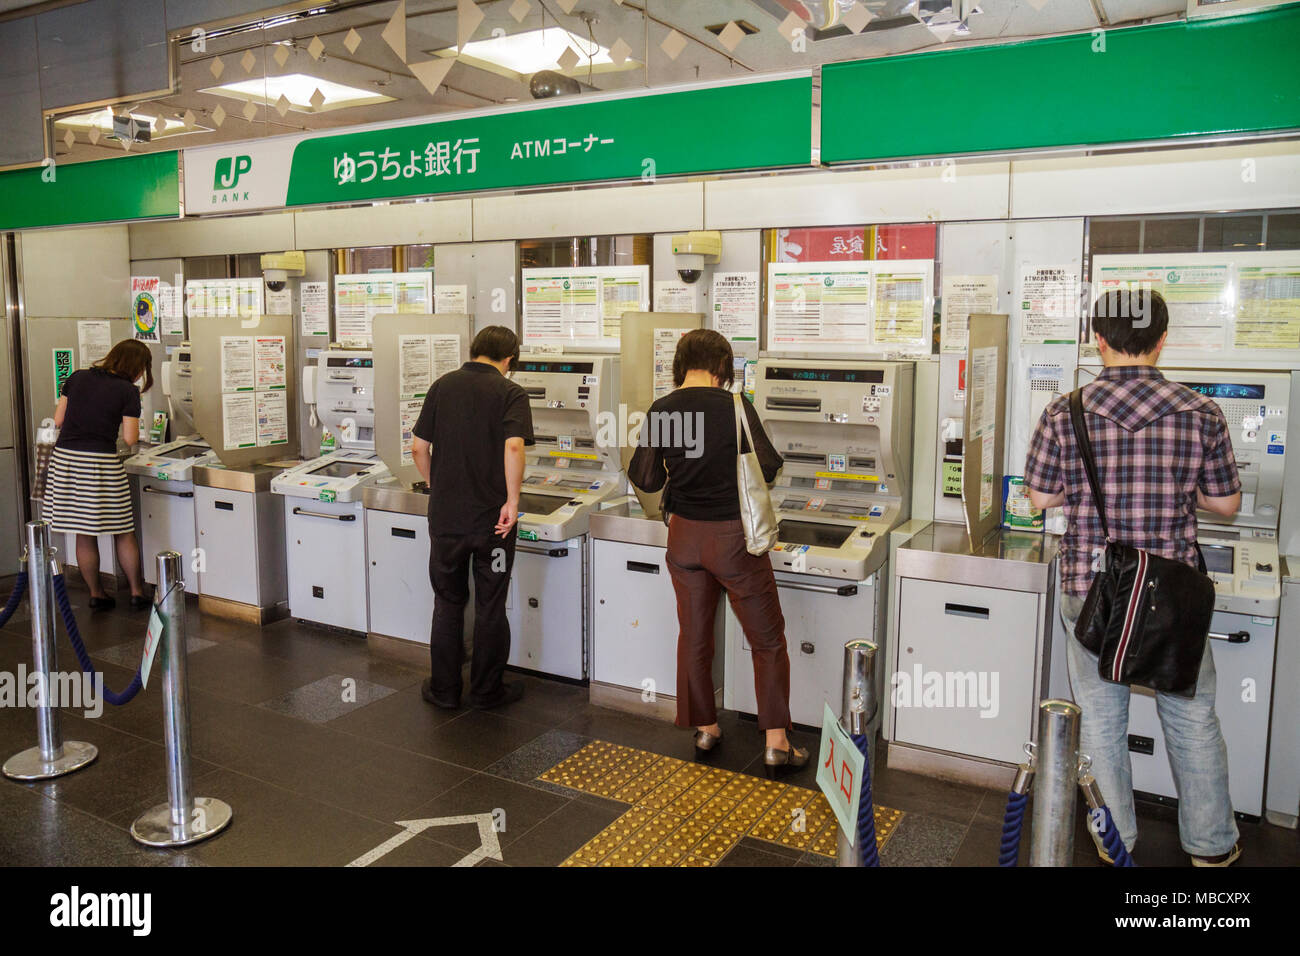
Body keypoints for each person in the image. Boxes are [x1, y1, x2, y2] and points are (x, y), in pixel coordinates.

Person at [1024, 288, 1242, 867]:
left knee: (1100, 720)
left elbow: (1042, 495)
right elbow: (1226, 505)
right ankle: (1212, 846)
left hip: (1090, 587)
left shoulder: (1063, 411)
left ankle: (1115, 841)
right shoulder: (1202, 412)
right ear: (1162, 339)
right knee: (1192, 717)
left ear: (1098, 338)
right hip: (1170, 592)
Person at [628, 329, 807, 778]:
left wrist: (683, 471)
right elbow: (767, 465)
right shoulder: (734, 406)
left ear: (681, 363)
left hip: (684, 537)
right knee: (766, 638)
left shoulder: (664, 409)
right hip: (733, 539)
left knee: (694, 635)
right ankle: (776, 742)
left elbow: (645, 478)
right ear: (722, 366)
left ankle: (706, 728)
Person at [411, 326, 534, 710]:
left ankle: (444, 691)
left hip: (446, 520)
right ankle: (486, 690)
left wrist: (438, 487)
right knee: (490, 602)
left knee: (447, 601)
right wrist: (512, 501)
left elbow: (418, 447)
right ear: (509, 358)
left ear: (474, 349)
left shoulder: (442, 386)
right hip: (492, 526)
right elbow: (513, 445)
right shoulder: (510, 392)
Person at [45, 339, 154, 611]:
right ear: (137, 367)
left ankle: (97, 593)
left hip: (66, 460)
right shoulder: (127, 391)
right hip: (100, 462)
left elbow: (58, 420)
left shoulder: (77, 378)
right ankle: (137, 591)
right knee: (123, 529)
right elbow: (130, 439)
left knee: (84, 531)